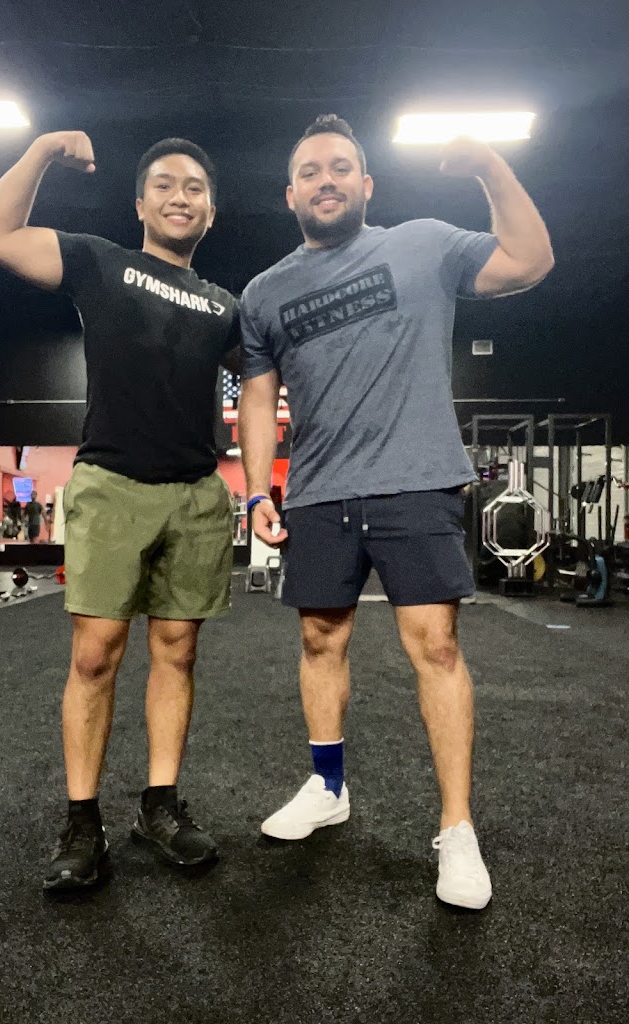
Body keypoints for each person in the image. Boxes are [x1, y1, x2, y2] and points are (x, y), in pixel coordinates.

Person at [238, 115, 554, 910]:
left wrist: (488, 165)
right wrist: (256, 490)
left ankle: (457, 828)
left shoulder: (424, 243)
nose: (327, 180)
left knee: (436, 647)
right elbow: (258, 398)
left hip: (416, 482)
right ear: (290, 194)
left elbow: (530, 260)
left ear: (367, 183)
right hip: (317, 490)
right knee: (320, 640)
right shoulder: (265, 293)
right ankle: (328, 787)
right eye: (311, 171)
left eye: (341, 167)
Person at [0, 130, 240, 890]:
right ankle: (82, 821)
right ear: (140, 203)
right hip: (111, 483)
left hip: (195, 494)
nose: (180, 196)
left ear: (211, 211)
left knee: (177, 652)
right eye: (164, 184)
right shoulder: (100, 262)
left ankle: (159, 806)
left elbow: (272, 375)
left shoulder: (225, 306)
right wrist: (39, 152)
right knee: (94, 656)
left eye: (194, 187)